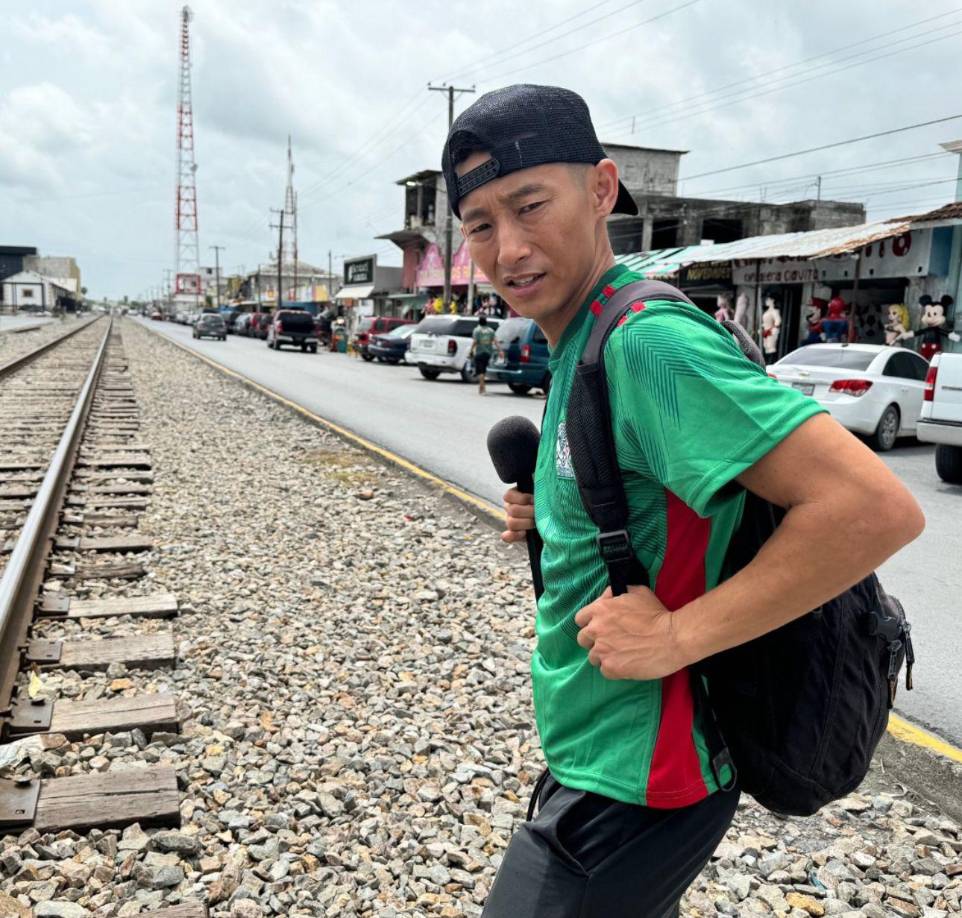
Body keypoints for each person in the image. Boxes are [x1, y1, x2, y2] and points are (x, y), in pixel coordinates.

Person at [441, 83, 924, 918]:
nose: (508, 247)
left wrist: (675, 635)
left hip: (642, 775)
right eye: (481, 223)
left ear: (601, 190)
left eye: (530, 206)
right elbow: (649, 497)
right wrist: (557, 519)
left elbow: (874, 508)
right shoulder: (580, 329)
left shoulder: (647, 345)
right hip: (594, 748)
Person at [470, 313, 496, 395]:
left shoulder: (477, 330)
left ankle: (482, 388)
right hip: (488, 353)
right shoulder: (491, 330)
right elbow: (495, 341)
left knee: (480, 371)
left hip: (479, 352)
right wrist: (500, 351)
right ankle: (481, 388)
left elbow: (475, 341)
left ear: (479, 322)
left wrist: (471, 350)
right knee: (483, 371)